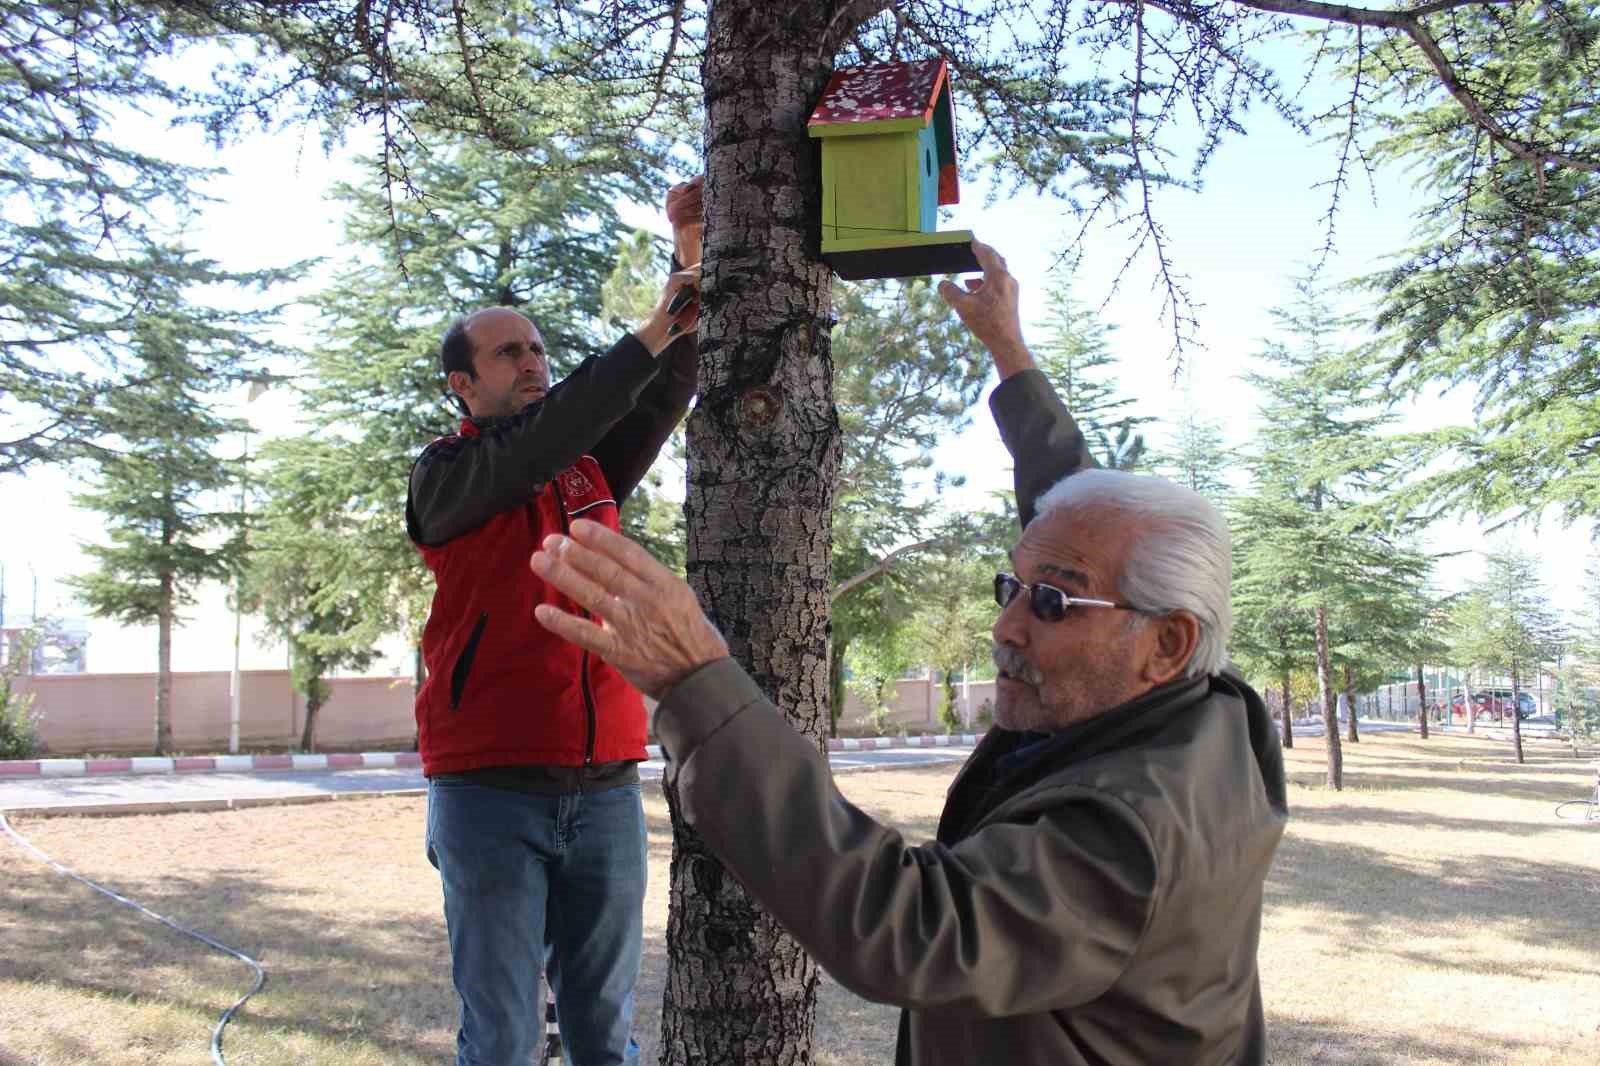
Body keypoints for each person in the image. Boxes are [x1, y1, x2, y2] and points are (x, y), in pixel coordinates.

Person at [527, 240, 1289, 1066]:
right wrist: (1010, 353)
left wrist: (695, 682)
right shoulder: (1201, 703)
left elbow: (916, 929)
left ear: (1166, 644)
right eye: (1014, 587)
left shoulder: (1131, 829)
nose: (1007, 628)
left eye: (1055, 602)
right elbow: (1083, 513)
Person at [405, 176, 705, 1066]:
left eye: (538, 348)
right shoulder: (447, 477)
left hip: (607, 788)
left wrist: (688, 267)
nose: (533, 362)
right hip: (490, 793)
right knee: (500, 1039)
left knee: (602, 1037)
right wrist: (649, 327)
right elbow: (545, 435)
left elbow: (657, 394)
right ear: (463, 383)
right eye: (508, 354)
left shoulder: (586, 470)